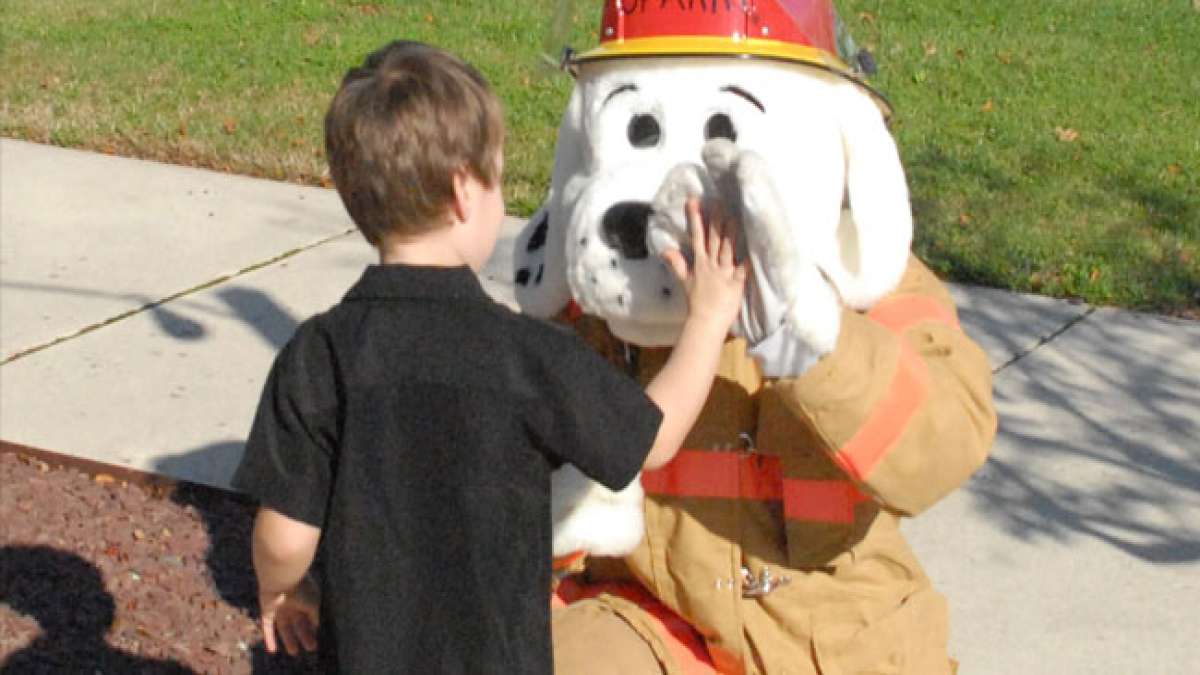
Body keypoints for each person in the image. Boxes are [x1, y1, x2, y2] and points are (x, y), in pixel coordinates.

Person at [230, 39, 746, 674]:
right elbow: (651, 439)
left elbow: (283, 537)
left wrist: (281, 589)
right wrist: (708, 318)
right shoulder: (524, 355)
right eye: (498, 178)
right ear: (463, 192)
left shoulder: (317, 355)